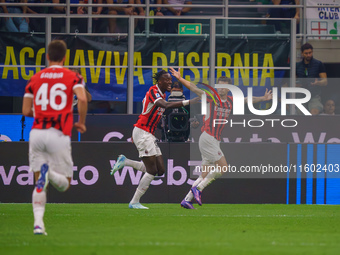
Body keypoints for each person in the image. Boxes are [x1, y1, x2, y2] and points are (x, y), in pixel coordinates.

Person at [169, 68, 273, 209]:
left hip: (214, 139)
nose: (221, 88)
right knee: (223, 167)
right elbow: (194, 88)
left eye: (224, 86)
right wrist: (180, 79)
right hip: (207, 137)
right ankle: (198, 189)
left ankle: (186, 200)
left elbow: (248, 99)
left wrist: (263, 98)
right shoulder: (211, 97)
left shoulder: (231, 101)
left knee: (204, 174)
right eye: (219, 85)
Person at [22, 40, 88, 235]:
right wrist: (81, 121)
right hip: (58, 133)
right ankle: (48, 174)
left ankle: (38, 224)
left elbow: (26, 110)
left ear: (48, 56)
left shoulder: (35, 78)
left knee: (39, 184)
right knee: (65, 183)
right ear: (65, 57)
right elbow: (82, 98)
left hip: (37, 133)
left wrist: (44, 113)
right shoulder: (73, 77)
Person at [110, 70, 199, 209]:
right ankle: (134, 202)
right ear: (159, 81)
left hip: (147, 134)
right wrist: (189, 102)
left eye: (170, 80)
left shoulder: (162, 94)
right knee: (151, 170)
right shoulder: (153, 91)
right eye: (167, 80)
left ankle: (126, 162)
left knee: (160, 170)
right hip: (143, 132)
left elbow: (156, 116)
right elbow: (166, 105)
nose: (170, 82)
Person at [296, 43, 327, 115]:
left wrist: (318, 83)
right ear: (302, 53)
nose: (308, 55)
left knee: (314, 112)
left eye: (310, 53)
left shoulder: (319, 64)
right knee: (299, 114)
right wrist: (296, 85)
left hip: (314, 95)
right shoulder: (297, 65)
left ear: (312, 52)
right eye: (306, 53)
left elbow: (325, 81)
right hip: (301, 95)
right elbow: (292, 81)